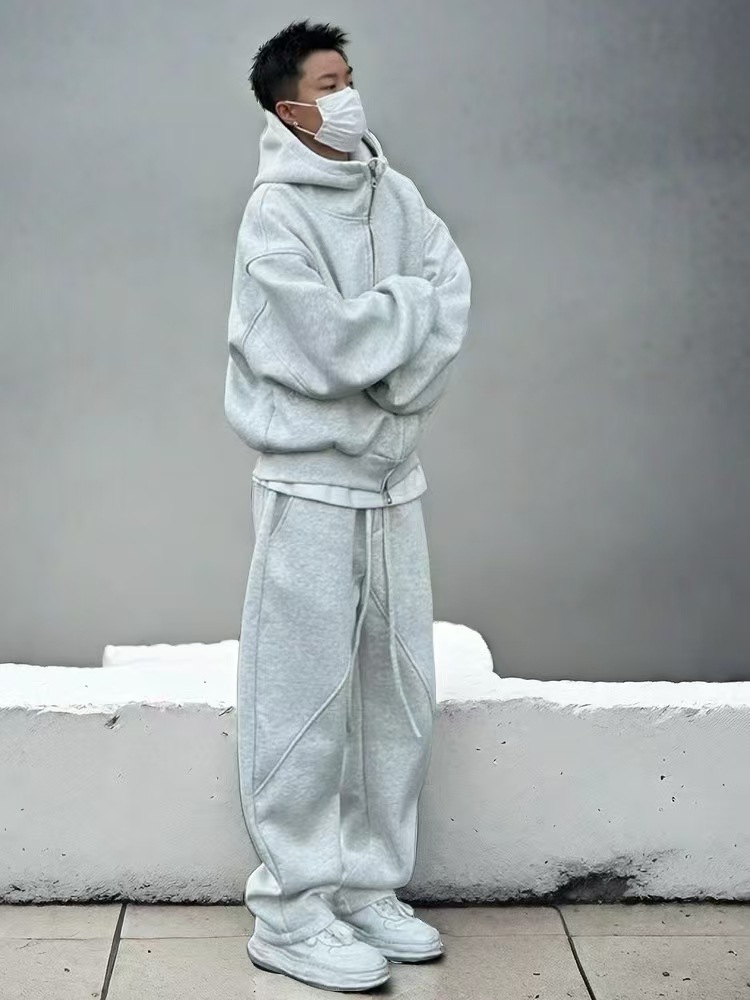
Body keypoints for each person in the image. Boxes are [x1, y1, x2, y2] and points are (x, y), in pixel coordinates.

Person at [224, 18, 471, 993]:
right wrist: (399, 324)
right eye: (330, 84)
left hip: (393, 484)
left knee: (397, 690)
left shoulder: (395, 194)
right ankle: (290, 911)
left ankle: (369, 888)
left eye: (349, 76)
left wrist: (391, 383)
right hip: (309, 488)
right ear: (292, 110)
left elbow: (452, 293)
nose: (348, 94)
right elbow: (324, 344)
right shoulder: (274, 218)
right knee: (303, 697)